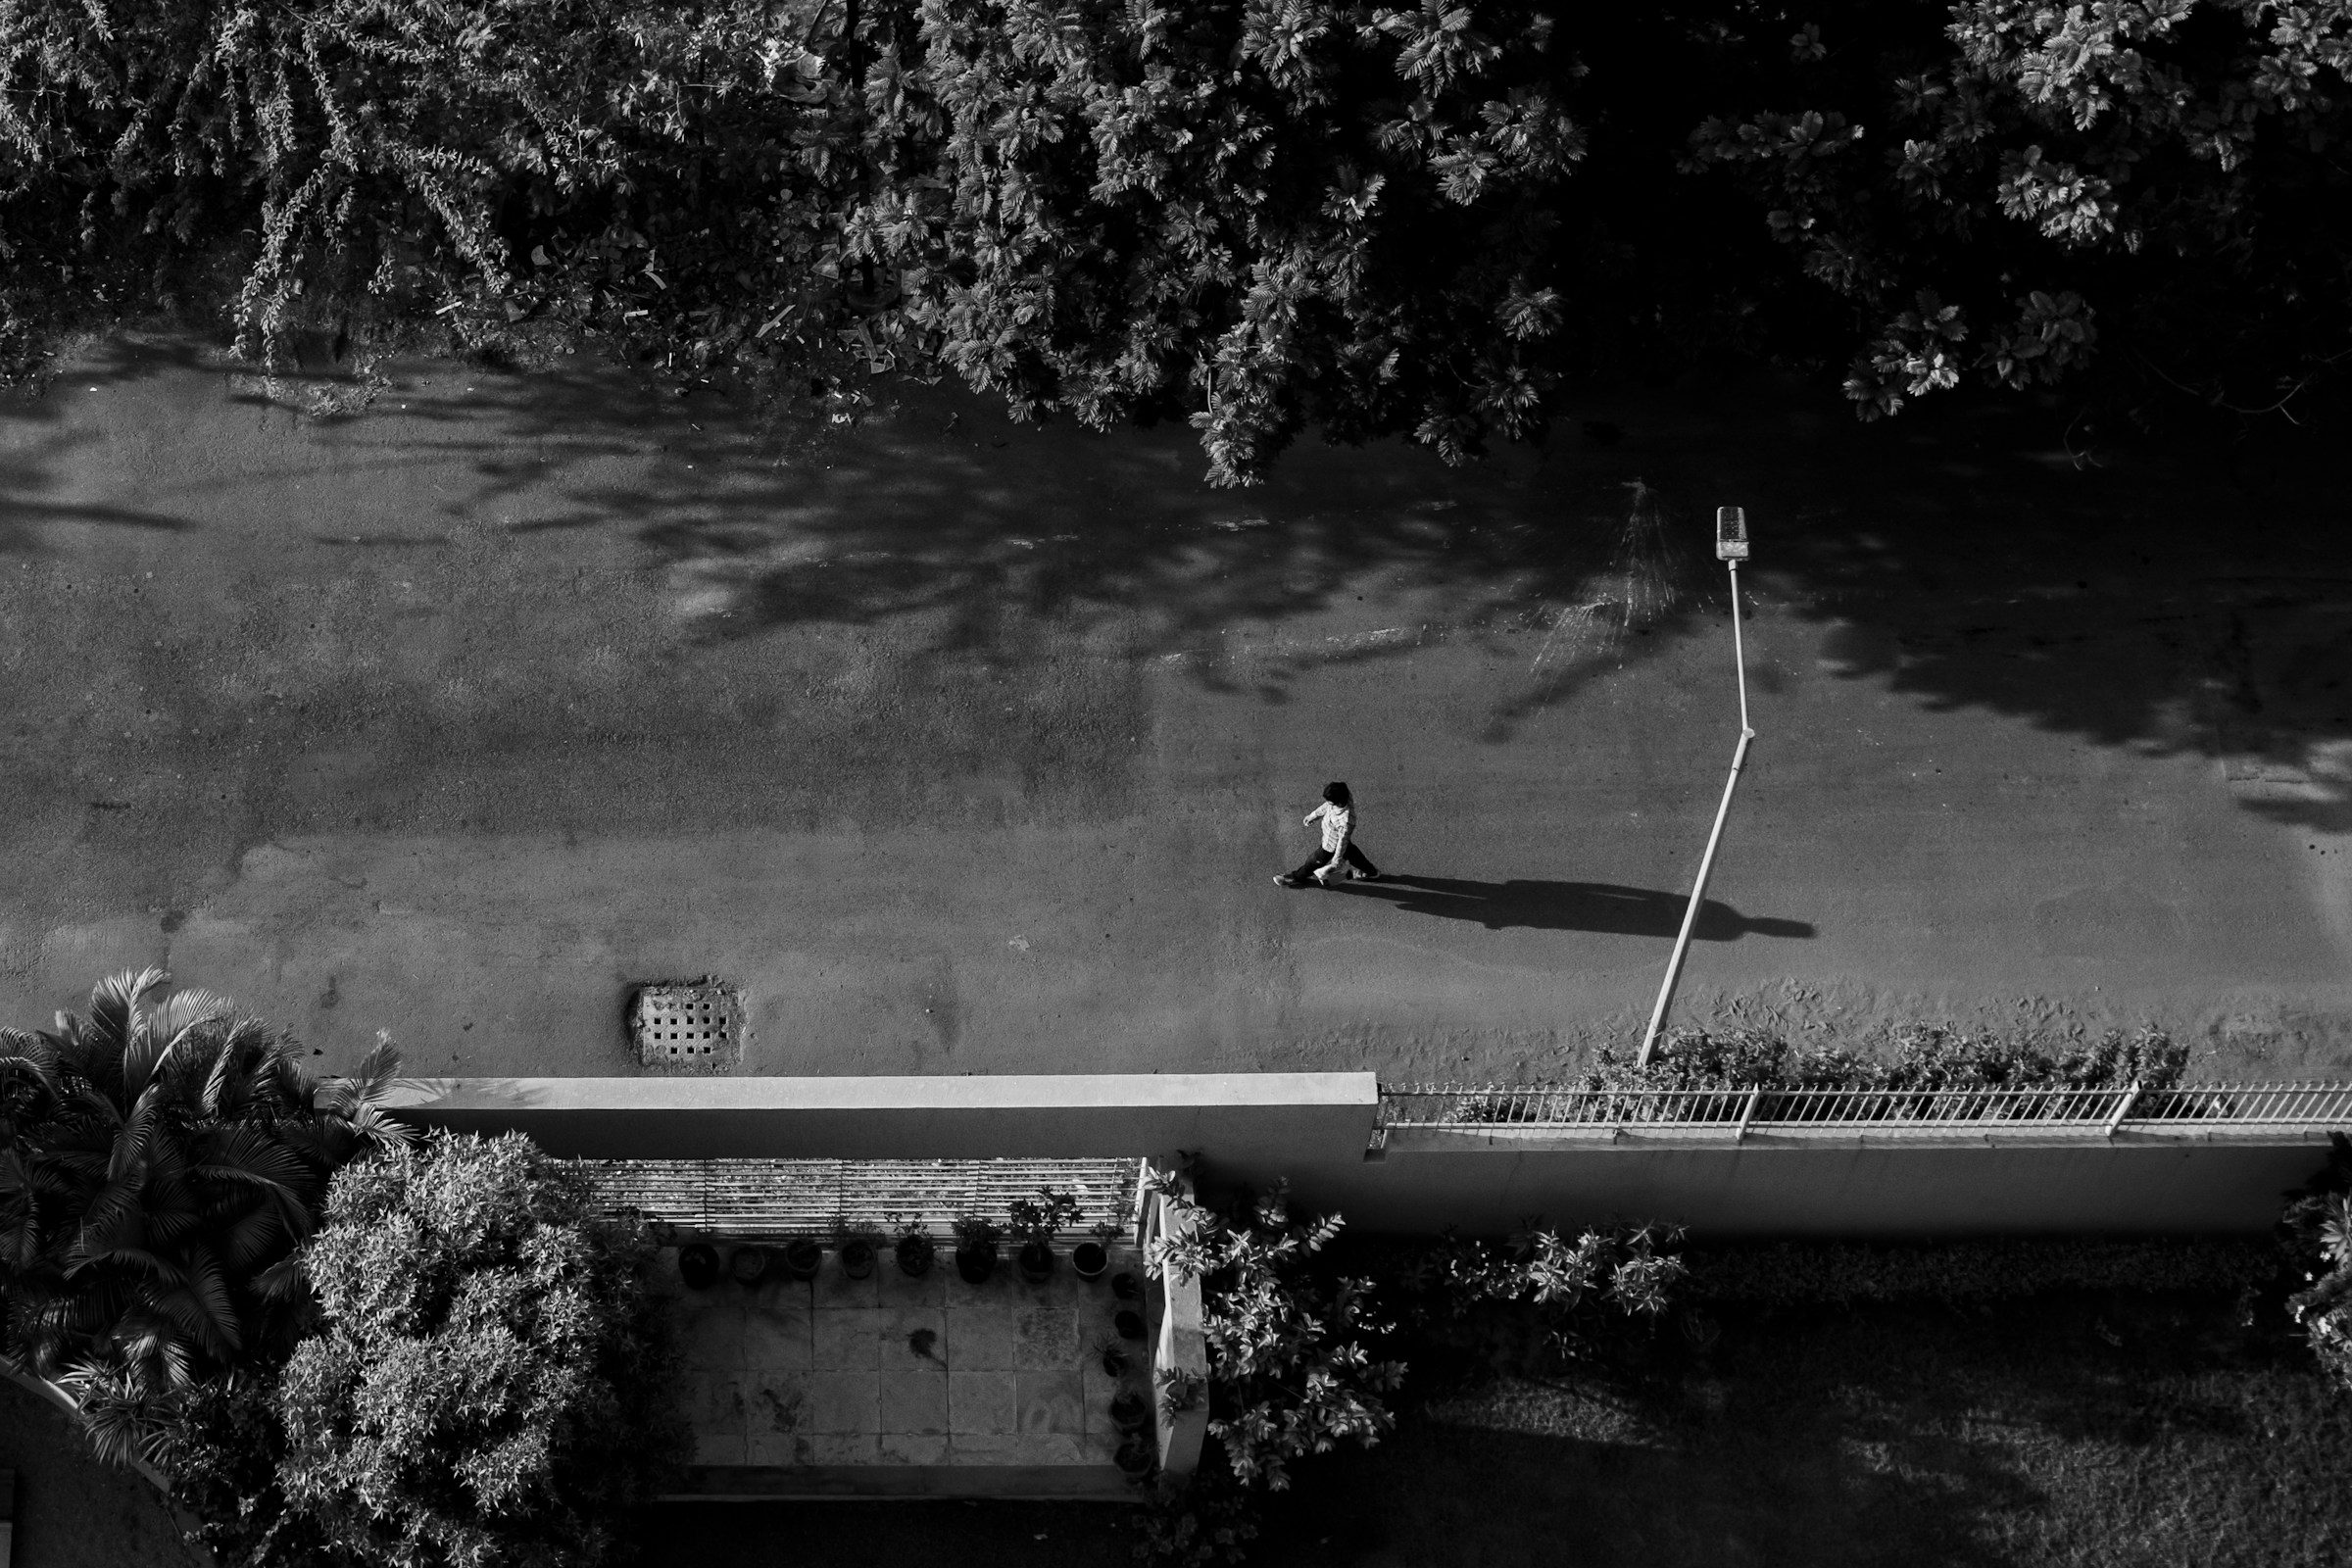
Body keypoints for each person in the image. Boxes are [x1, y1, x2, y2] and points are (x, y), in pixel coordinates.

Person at [1274, 781, 1386, 888]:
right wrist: (1314, 815)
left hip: (1331, 845)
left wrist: (1335, 863)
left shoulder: (1345, 822)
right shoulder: (1344, 795)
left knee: (1313, 862)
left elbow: (1342, 843)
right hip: (1338, 839)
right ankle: (1372, 873)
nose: (1328, 803)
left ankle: (1296, 878)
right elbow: (1327, 806)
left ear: (1338, 802)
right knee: (1355, 856)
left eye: (1330, 802)